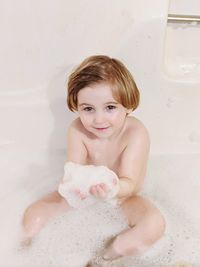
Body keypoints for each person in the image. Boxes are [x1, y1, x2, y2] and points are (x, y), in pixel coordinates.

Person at [22, 55, 165, 260]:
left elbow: (130, 183)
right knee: (34, 214)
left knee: (153, 224)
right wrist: (74, 186)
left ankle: (105, 257)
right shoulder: (77, 130)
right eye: (88, 109)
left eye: (110, 107)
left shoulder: (135, 132)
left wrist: (112, 189)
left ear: (128, 105)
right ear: (76, 107)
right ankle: (25, 251)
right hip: (85, 195)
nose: (99, 119)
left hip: (123, 197)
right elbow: (74, 170)